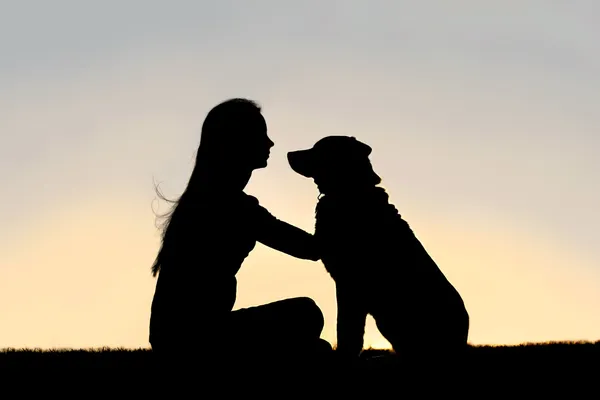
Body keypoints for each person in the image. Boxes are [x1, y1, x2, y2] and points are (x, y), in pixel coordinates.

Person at [148, 98, 331, 369]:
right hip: (195, 340)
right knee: (306, 313)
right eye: (262, 136)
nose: (270, 144)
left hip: (174, 339)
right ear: (238, 142)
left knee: (315, 347)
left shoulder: (206, 200)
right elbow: (310, 249)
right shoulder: (233, 206)